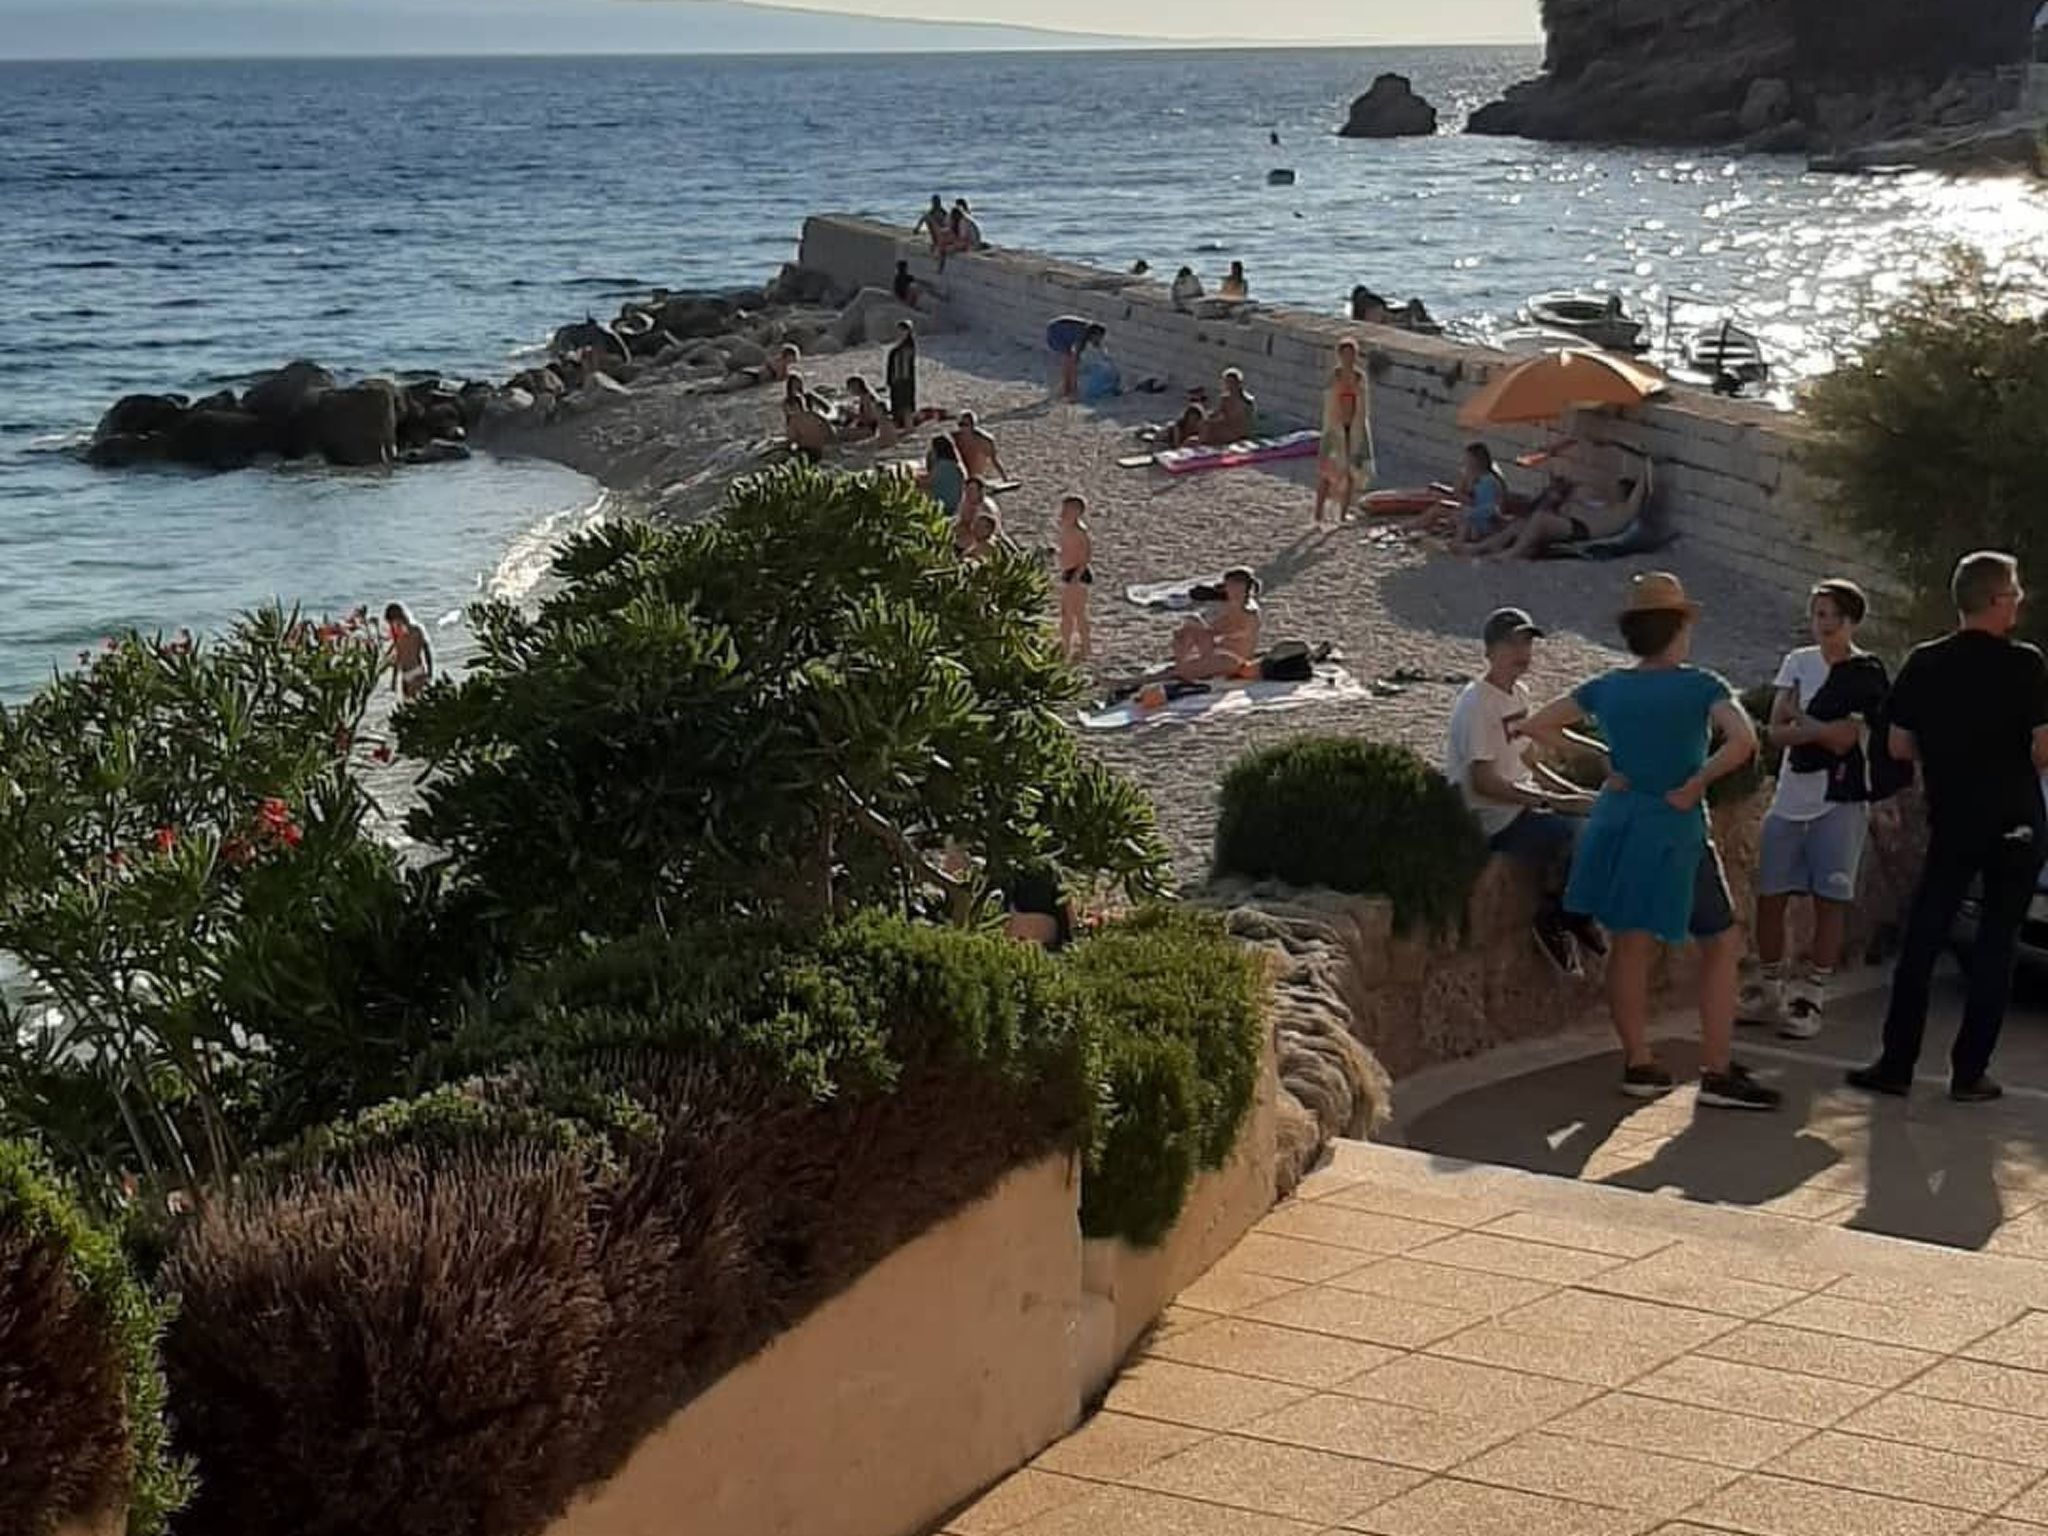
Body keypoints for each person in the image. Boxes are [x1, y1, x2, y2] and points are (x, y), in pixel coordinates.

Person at [1516, 572, 1779, 1109]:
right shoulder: (1701, 684)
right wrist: (1698, 781)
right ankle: (1718, 1068)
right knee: (1721, 941)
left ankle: (1639, 1061)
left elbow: (1538, 725)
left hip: (1618, 821)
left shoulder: (1609, 686)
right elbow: (1744, 739)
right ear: (1679, 627)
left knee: (1630, 945)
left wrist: (1604, 759)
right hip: (1674, 826)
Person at [1847, 551, 2048, 1103]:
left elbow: (1897, 743)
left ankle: (1896, 1062)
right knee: (1997, 944)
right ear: (1996, 600)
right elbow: (2043, 749)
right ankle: (1969, 1072)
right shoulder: (2026, 664)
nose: (2020, 602)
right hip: (2014, 820)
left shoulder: (1925, 661)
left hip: (1954, 817)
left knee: (1925, 935)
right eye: (2014, 592)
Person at [1741, 580, 1891, 1040]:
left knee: (1830, 900)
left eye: (1830, 615)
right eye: (1817, 614)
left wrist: (1806, 726)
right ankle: (1769, 986)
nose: (1822, 624)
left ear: (1850, 620)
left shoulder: (1865, 673)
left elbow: (1848, 739)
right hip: (1791, 796)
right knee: (1772, 895)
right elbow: (1778, 731)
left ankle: (1812, 995)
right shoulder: (1798, 663)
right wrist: (1817, 729)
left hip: (1839, 799)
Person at [1445, 608, 1606, 974]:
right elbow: (1482, 782)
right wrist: (1556, 802)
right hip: (1492, 815)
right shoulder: (1476, 704)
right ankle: (1555, 917)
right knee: (1581, 832)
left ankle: (1579, 913)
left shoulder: (1519, 694)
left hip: (1520, 804)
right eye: (1512, 643)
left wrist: (1573, 794)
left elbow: (1528, 756)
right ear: (1490, 650)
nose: (1522, 651)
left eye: (1527, 642)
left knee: (1602, 819)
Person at [1484, 453, 1653, 561]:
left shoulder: (1623, 511)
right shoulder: (1605, 506)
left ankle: (1513, 553)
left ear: (1625, 494)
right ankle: (1484, 547)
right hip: (1571, 523)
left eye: (1617, 490)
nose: (1612, 492)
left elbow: (1641, 493)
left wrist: (1648, 464)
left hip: (1582, 530)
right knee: (1521, 523)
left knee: (1541, 520)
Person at [1314, 338, 1373, 527]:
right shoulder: (1334, 376)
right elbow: (1330, 400)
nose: (1349, 358)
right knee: (1328, 472)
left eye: (1352, 354)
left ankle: (1342, 513)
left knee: (1352, 473)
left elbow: (1363, 404)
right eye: (1346, 354)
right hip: (1335, 428)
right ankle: (1318, 511)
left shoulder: (1360, 377)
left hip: (1354, 428)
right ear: (1339, 355)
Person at [1172, 567, 1261, 682]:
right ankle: (1182, 661)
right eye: (1229, 586)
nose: (1230, 590)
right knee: (1190, 626)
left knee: (1180, 671)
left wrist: (1202, 631)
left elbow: (1223, 632)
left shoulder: (1248, 610)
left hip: (1234, 660)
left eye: (1233, 586)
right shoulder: (1233, 606)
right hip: (1218, 653)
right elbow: (1215, 629)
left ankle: (1183, 665)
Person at [1055, 494, 1093, 662]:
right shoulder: (1066, 528)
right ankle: (1067, 646)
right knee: (1067, 613)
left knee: (1077, 613)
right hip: (1068, 572)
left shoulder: (1079, 532)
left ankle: (1084, 647)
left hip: (1076, 575)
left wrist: (1076, 576)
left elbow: (1086, 556)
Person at [1452, 441, 1509, 549]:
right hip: (1482, 516)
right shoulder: (1479, 479)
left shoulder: (1488, 482)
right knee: (1459, 515)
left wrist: (1469, 511)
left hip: (1486, 520)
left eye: (1467, 458)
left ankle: (1457, 545)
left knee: (1462, 519)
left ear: (1476, 461)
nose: (1464, 461)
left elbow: (1489, 507)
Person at [385, 602, 433, 701]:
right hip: (416, 672)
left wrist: (393, 680)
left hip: (412, 673)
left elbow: (399, 658)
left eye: (391, 623)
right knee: (418, 705)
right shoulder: (415, 630)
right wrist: (430, 671)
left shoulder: (402, 635)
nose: (391, 626)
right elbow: (426, 651)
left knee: (412, 707)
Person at [1203, 369, 1257, 445]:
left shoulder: (1247, 401)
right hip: (1227, 427)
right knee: (1206, 425)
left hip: (1239, 433)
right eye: (1227, 383)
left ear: (1238, 384)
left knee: (1211, 429)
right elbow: (1218, 413)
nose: (1230, 386)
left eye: (1232, 383)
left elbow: (1248, 422)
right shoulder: (1225, 399)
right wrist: (1207, 416)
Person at [951, 410, 1009, 481]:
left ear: (973, 425)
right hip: (958, 477)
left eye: (965, 425)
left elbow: (994, 460)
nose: (962, 428)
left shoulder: (984, 441)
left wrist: (1004, 477)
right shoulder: (953, 439)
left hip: (975, 478)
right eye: (960, 425)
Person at [885, 320, 917, 430]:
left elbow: (905, 365)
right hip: (897, 379)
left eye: (902, 330)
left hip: (904, 379)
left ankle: (907, 426)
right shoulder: (900, 346)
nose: (900, 332)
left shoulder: (908, 346)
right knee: (897, 403)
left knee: (905, 404)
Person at [924, 433, 965, 518]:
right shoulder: (955, 465)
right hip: (954, 505)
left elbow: (927, 482)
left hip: (943, 505)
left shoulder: (942, 466)